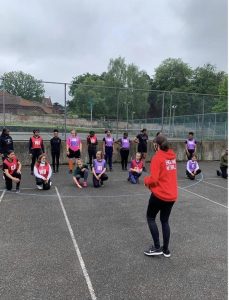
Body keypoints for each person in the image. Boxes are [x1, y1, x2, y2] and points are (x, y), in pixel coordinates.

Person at [144, 135, 178, 258]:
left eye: (154, 144)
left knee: (150, 217)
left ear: (157, 145)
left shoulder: (157, 157)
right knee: (164, 221)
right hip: (171, 195)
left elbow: (154, 178)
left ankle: (157, 247)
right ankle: (166, 249)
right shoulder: (172, 156)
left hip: (160, 194)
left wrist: (146, 181)